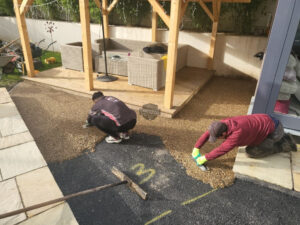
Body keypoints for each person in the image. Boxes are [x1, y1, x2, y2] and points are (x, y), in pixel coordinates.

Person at [192, 114, 297, 167]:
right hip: (268, 120)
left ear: (223, 134)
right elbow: (208, 132)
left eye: (217, 138)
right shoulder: (223, 123)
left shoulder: (237, 134)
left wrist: (205, 158)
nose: (216, 140)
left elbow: (222, 149)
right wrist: (196, 147)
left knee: (251, 152)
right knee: (254, 142)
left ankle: (285, 143)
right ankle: (280, 138)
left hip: (274, 131)